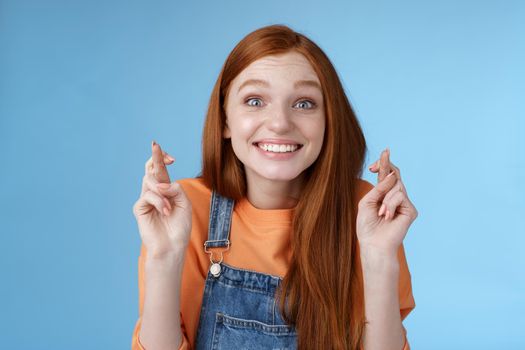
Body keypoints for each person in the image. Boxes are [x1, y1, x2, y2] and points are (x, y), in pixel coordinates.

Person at [131, 24, 417, 350]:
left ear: (329, 119)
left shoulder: (364, 210)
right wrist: (164, 256)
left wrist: (379, 256)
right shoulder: (183, 209)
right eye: (255, 101)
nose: (280, 122)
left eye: (304, 103)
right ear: (225, 119)